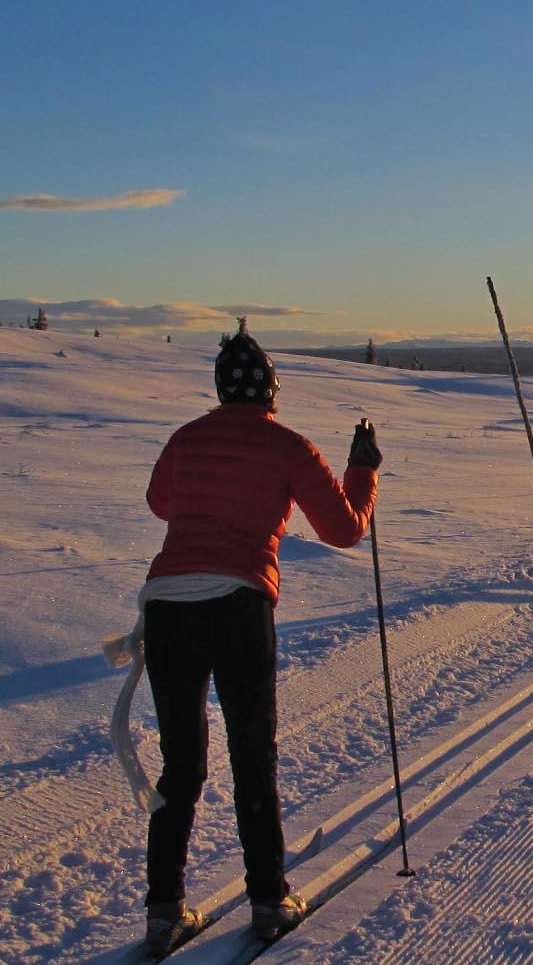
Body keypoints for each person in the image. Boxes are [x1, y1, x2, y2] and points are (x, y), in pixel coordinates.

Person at [136, 319, 380, 956]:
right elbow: (346, 529)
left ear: (221, 388)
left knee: (180, 763)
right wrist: (362, 470)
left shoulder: (186, 439)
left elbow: (161, 503)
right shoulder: (288, 447)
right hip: (238, 603)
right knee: (252, 755)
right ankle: (269, 901)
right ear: (271, 390)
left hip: (167, 605)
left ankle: (163, 912)